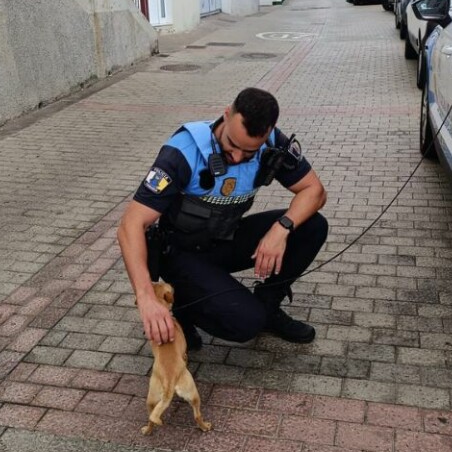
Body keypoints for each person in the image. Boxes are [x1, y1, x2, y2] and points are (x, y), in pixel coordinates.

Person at [117, 87, 328, 350]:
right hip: (181, 253)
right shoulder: (183, 151)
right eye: (232, 146)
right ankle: (183, 307)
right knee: (246, 323)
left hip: (225, 238)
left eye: (249, 152)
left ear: (267, 133)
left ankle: (269, 306)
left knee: (312, 225)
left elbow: (315, 191)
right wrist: (146, 296)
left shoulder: (273, 142)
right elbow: (131, 225)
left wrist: (281, 229)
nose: (237, 157)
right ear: (226, 115)